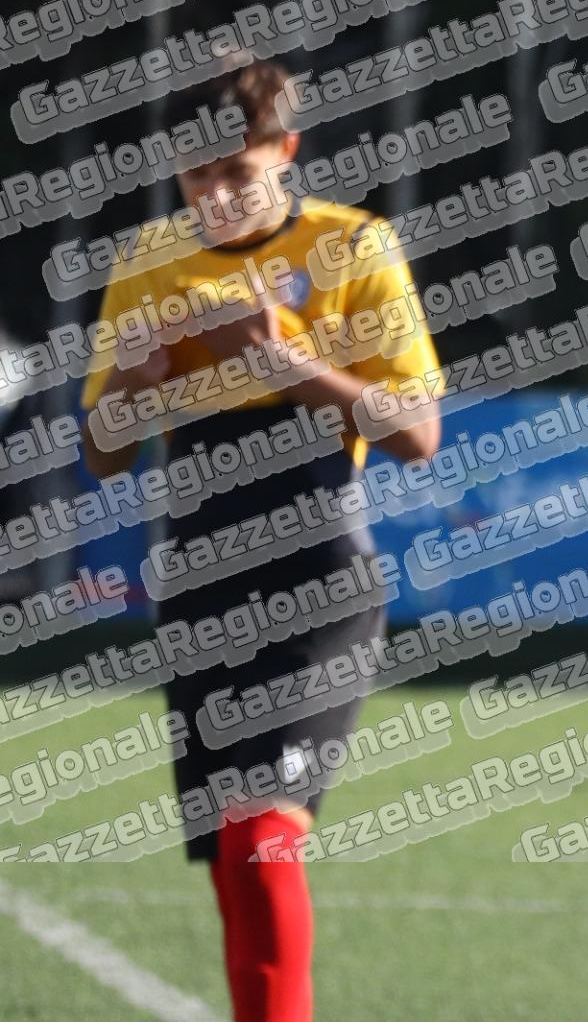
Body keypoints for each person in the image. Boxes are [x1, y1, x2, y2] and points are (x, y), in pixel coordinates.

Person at [79, 58, 441, 1022]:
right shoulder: (150, 259)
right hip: (199, 580)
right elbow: (105, 455)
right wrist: (134, 384)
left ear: (285, 151)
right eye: (196, 175)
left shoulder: (353, 245)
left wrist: (291, 365)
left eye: (236, 171)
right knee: (230, 860)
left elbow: (417, 434)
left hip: (320, 577)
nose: (216, 195)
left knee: (260, 829)